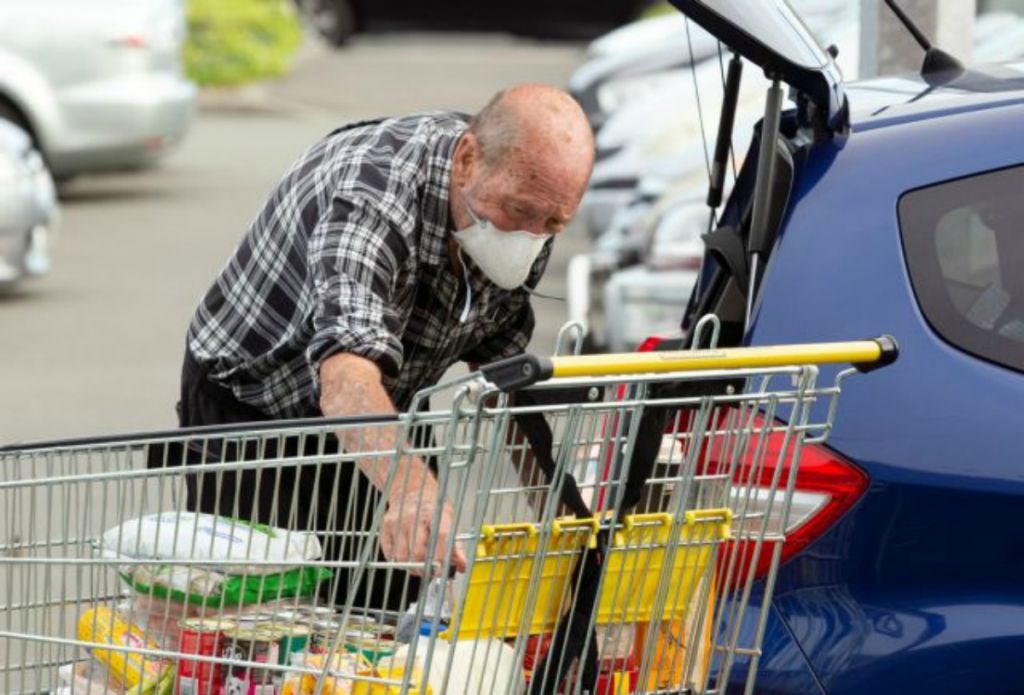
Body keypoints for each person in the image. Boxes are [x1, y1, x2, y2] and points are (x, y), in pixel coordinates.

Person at [165, 83, 595, 608]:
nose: (530, 235)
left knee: (386, 615)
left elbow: (502, 369)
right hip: (255, 405)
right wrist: (412, 492)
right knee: (256, 623)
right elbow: (345, 375)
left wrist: (566, 514)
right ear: (466, 161)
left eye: (553, 223)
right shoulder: (372, 193)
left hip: (383, 404)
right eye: (519, 210)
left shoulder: (524, 208)